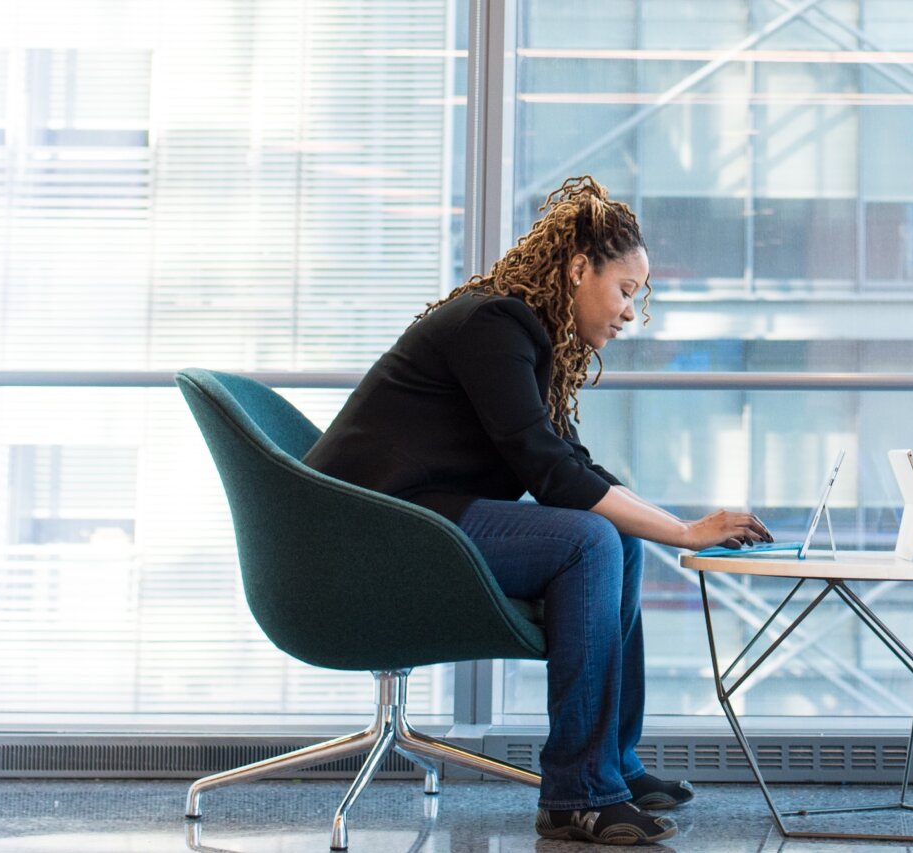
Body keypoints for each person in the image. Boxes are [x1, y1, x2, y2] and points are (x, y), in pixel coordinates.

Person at [305, 175, 772, 845]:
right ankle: (577, 795)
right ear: (579, 267)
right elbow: (552, 478)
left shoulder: (525, 335)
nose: (631, 313)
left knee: (613, 535)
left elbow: (573, 468)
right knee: (589, 539)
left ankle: (612, 765)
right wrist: (682, 532)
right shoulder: (494, 323)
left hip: (420, 517)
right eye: (626, 290)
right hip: (370, 530)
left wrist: (676, 525)